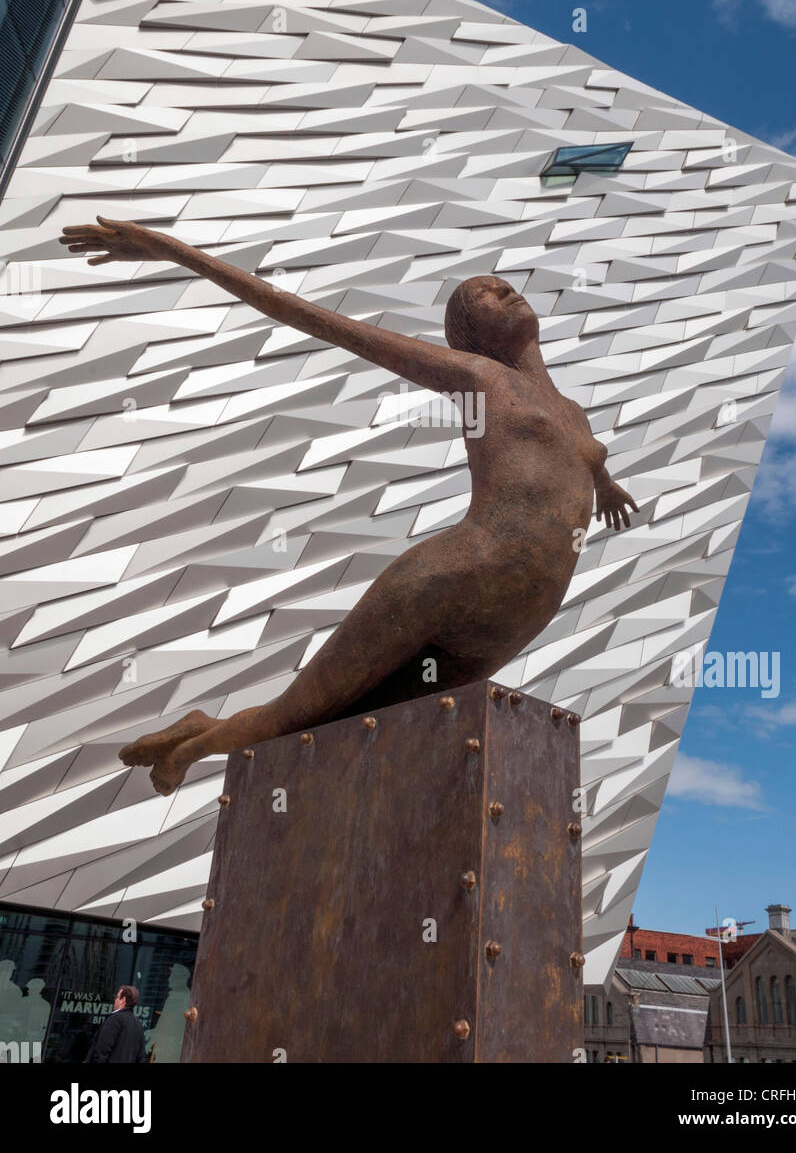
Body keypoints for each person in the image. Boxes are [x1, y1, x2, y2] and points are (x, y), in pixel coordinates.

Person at [61, 217, 638, 796]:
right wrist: (173, 250)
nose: (504, 291)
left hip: (515, 614)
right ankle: (200, 740)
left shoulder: (570, 410)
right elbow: (318, 320)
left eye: (502, 284)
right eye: (482, 295)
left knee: (374, 734)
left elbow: (582, 459)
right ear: (471, 334)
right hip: (458, 578)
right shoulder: (476, 378)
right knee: (299, 716)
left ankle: (201, 735)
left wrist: (605, 485)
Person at [84, 985, 148, 1064]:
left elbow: (102, 1050)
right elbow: (141, 1057)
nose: (115, 1000)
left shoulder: (115, 1019)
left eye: (117, 997)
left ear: (123, 1000)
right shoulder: (138, 1024)